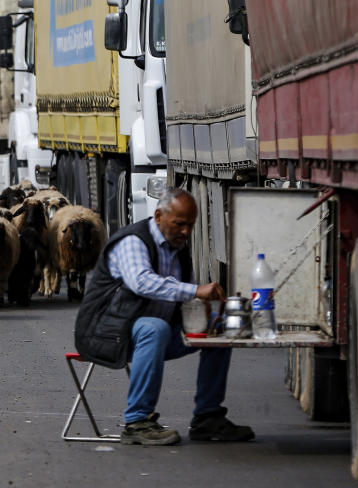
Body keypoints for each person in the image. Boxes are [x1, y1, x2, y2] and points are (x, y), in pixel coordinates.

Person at [95, 187, 253, 446]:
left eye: (190, 225)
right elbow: (142, 283)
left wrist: (209, 311)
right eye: (179, 224)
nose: (186, 232)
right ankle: (137, 421)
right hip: (113, 334)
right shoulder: (133, 241)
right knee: (154, 328)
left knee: (220, 329)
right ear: (158, 216)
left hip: (157, 334)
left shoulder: (178, 248)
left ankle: (207, 417)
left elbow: (184, 299)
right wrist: (196, 290)